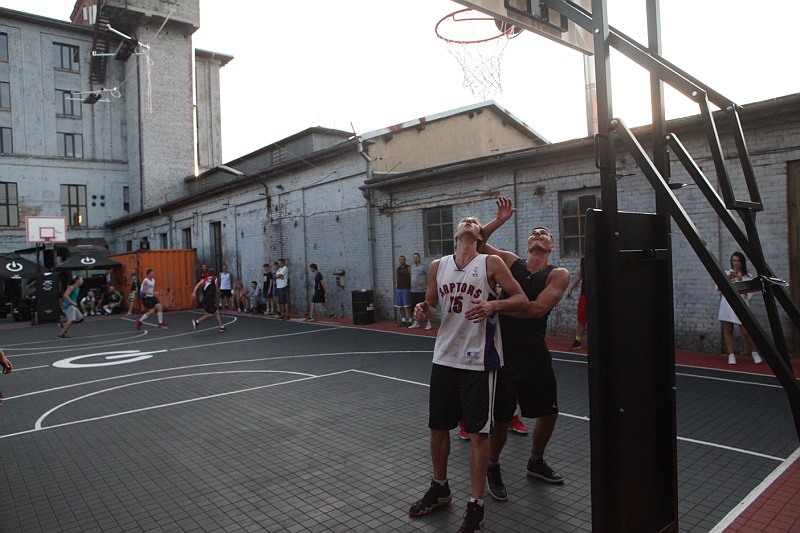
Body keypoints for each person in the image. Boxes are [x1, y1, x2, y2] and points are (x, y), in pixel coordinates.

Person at [408, 215, 528, 533]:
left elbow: (521, 299)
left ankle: (476, 506)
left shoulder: (490, 263)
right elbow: (431, 305)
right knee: (438, 427)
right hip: (445, 357)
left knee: (478, 433)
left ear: (479, 235)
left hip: (478, 360)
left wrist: (494, 306)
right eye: (465, 219)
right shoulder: (438, 266)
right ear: (456, 234)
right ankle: (440, 488)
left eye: (474, 221)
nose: (469, 220)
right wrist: (422, 310)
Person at [479, 196, 571, 501]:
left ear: (551, 246)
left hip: (534, 352)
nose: (538, 234)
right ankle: (493, 465)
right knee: (502, 418)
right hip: (503, 352)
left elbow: (536, 310)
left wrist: (497, 306)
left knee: (550, 412)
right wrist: (499, 220)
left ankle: (535, 461)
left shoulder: (557, 274)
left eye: (544, 233)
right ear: (528, 243)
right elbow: (478, 243)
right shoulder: (509, 261)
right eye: (534, 232)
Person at [718, 251, 762, 365]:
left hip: (742, 305)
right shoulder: (727, 273)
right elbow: (718, 288)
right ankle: (731, 355)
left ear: (742, 262)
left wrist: (740, 280)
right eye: (734, 261)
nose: (736, 263)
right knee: (728, 330)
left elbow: (750, 294)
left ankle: (754, 352)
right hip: (727, 305)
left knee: (746, 331)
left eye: (738, 261)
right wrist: (729, 278)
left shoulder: (748, 276)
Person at [191, 268, 226, 332]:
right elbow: (217, 289)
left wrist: (194, 292)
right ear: (214, 274)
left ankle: (221, 327)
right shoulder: (214, 280)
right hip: (210, 298)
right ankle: (197, 321)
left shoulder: (204, 280)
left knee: (216, 311)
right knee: (210, 314)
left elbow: (197, 285)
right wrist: (219, 292)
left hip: (205, 298)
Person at [566, 256, 587, 350]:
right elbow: (579, 275)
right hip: (585, 294)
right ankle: (578, 341)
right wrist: (571, 288)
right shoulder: (583, 260)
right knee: (581, 320)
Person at [408, 252, 433, 330]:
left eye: (417, 257)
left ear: (419, 258)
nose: (415, 259)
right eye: (414, 257)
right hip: (413, 291)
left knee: (425, 307)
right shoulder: (412, 267)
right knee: (414, 307)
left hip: (421, 291)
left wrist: (427, 285)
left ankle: (428, 323)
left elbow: (430, 275)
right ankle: (416, 322)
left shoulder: (423, 267)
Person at [395, 255, 412, 327]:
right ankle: (403, 320)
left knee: (407, 305)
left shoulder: (408, 267)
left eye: (403, 259)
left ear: (405, 260)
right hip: (399, 289)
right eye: (400, 260)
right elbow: (397, 278)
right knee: (400, 306)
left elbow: (411, 277)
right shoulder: (398, 269)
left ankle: (410, 320)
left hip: (406, 289)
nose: (402, 261)